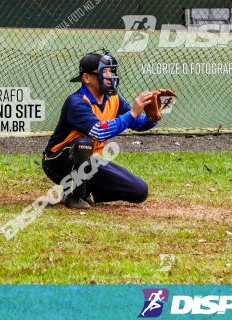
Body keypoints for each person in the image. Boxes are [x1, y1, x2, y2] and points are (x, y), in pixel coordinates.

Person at [42, 50, 157, 209]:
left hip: (92, 160)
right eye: (104, 71)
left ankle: (87, 188)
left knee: (140, 191)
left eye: (111, 71)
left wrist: (152, 117)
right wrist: (133, 113)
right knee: (83, 144)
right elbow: (99, 132)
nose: (110, 76)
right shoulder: (76, 102)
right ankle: (73, 195)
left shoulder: (114, 98)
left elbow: (136, 123)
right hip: (57, 162)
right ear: (86, 78)